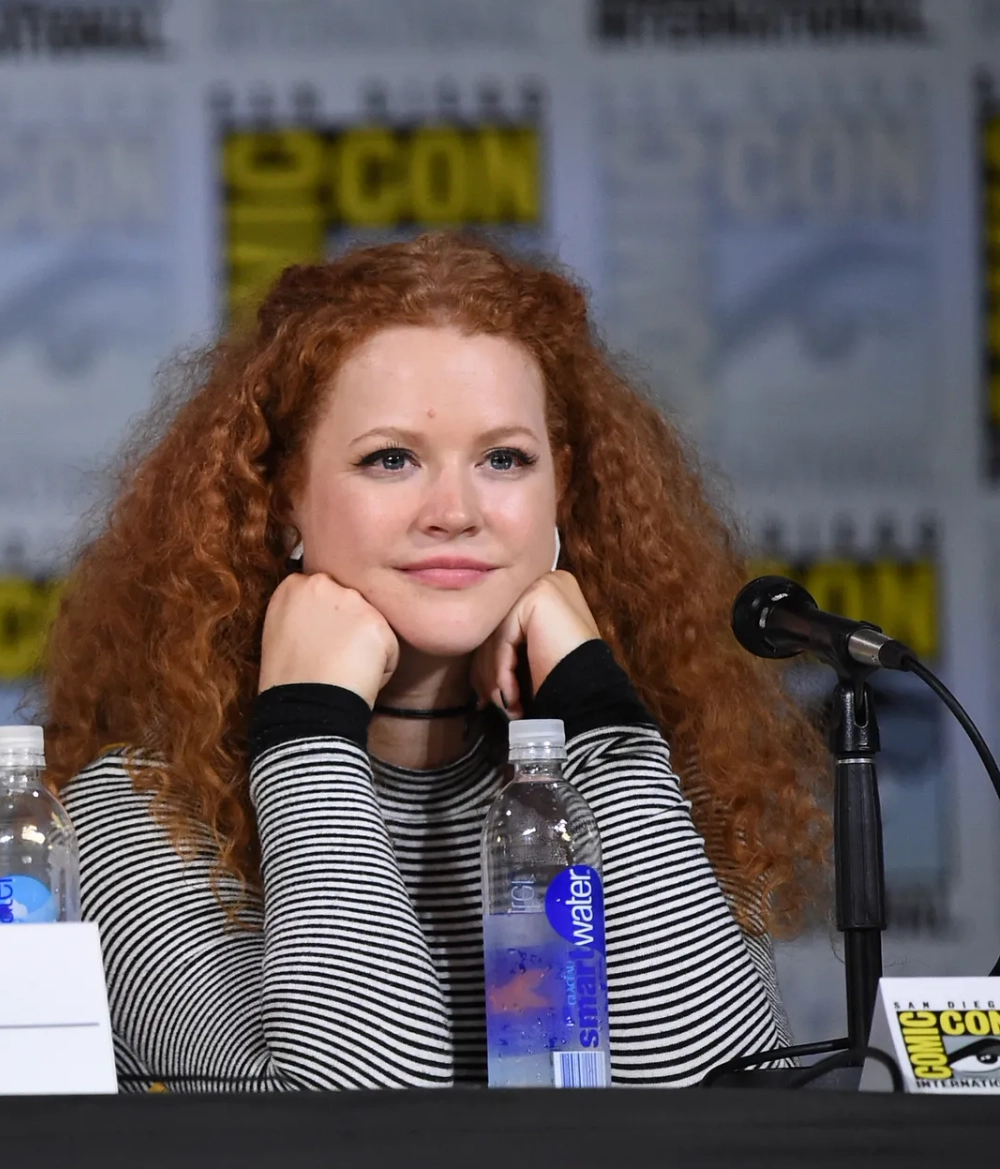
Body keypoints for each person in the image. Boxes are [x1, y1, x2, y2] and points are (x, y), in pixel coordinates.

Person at [41, 232, 827, 1089]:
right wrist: (306, 730)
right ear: (283, 498)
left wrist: (598, 712)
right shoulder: (144, 812)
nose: (455, 511)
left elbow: (711, 1099)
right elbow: (357, 1122)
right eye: (391, 459)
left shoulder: (643, 783)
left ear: (558, 488)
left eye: (504, 459)